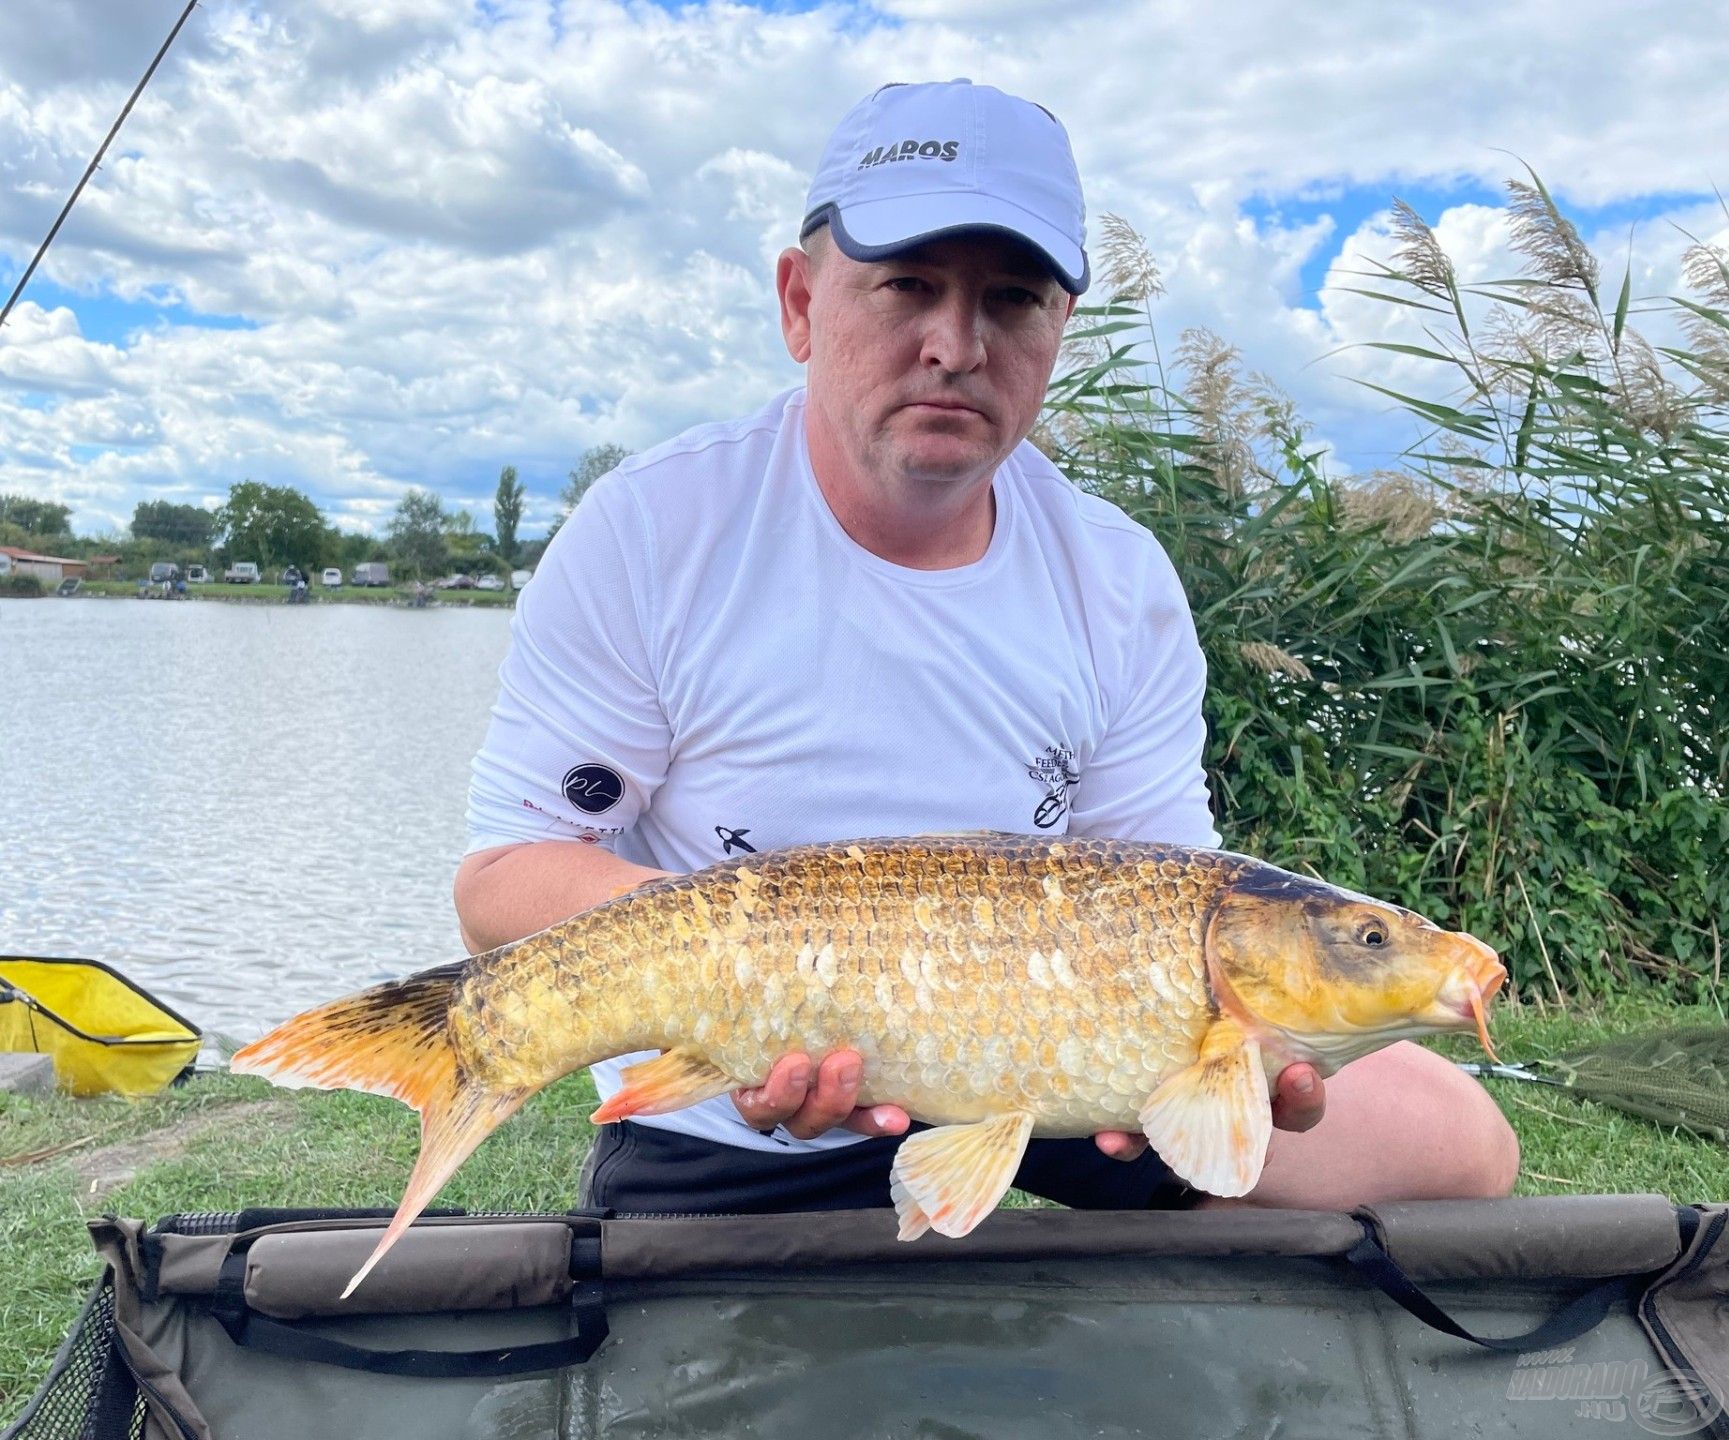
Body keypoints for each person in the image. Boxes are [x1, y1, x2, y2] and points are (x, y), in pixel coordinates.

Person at [456, 80, 1519, 1217]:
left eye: (1010, 301)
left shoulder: (1116, 579)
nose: (954, 346)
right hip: (745, 1113)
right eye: (906, 286)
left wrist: (1242, 1059)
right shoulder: (654, 530)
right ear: (800, 303)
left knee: (1462, 1147)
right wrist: (746, 994)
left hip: (1071, 1078)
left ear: (1056, 331)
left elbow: (1165, 884)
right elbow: (503, 882)